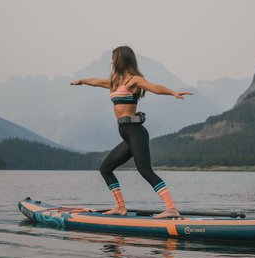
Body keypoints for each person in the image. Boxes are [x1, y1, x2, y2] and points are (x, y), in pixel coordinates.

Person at [70, 45, 192, 218]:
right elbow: (95, 81)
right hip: (126, 135)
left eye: (113, 58)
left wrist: (173, 92)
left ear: (120, 59)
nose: (111, 62)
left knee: (145, 171)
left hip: (136, 133)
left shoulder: (133, 81)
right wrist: (81, 80)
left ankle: (171, 208)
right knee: (105, 169)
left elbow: (154, 87)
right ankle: (120, 207)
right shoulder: (114, 82)